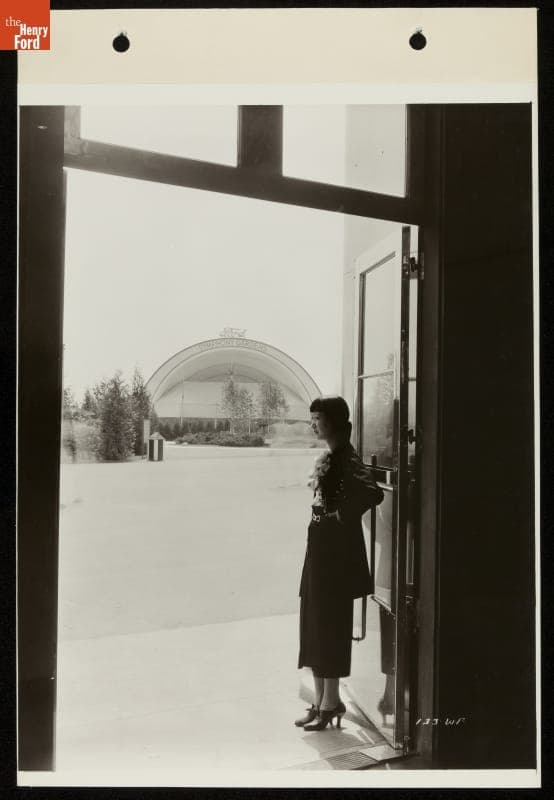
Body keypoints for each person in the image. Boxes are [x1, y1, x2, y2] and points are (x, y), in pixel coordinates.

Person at [296, 396, 384, 731]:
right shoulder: (332, 456)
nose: (314, 424)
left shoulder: (347, 457)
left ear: (334, 421)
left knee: (329, 629)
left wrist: (338, 513)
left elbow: (372, 493)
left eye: (318, 418)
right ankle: (320, 703)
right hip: (319, 555)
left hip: (334, 561)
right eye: (312, 418)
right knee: (314, 626)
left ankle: (331, 704)